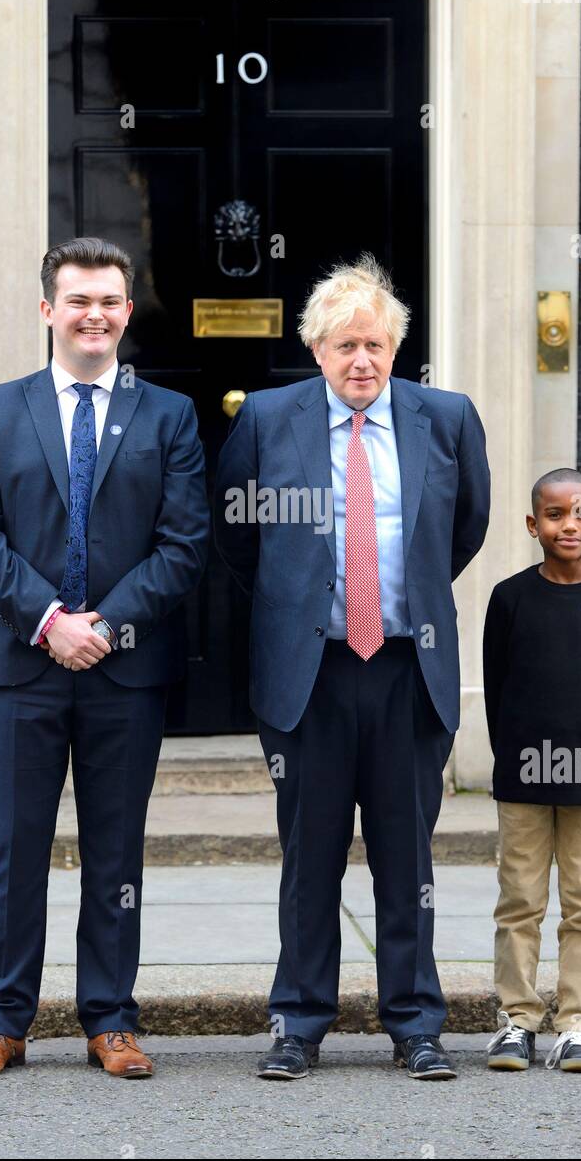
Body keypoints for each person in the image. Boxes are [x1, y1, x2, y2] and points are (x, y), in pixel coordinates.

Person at [214, 255, 490, 1080]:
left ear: (395, 346)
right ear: (316, 350)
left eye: (373, 344)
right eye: (343, 347)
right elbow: (237, 535)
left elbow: (463, 529)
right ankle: (299, 1020)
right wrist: (298, 603)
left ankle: (415, 1024)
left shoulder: (445, 418)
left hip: (408, 668)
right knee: (311, 857)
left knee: (408, 858)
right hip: (313, 674)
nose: (360, 362)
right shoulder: (266, 419)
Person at [0, 236, 209, 1079]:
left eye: (108, 301)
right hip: (20, 666)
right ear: (47, 308)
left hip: (125, 669)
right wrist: (50, 619)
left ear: (127, 312)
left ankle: (110, 1018)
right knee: (13, 848)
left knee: (115, 849)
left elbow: (184, 542)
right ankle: (1, 1019)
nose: (93, 315)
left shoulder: (166, 415)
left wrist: (105, 624)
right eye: (77, 300)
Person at [482, 469, 581, 1074]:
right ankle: (517, 1019)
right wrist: (514, 756)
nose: (567, 525)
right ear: (532, 524)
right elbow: (498, 688)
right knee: (519, 898)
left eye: (580, 514)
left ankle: (575, 1023)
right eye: (554, 515)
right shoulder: (511, 598)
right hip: (523, 772)